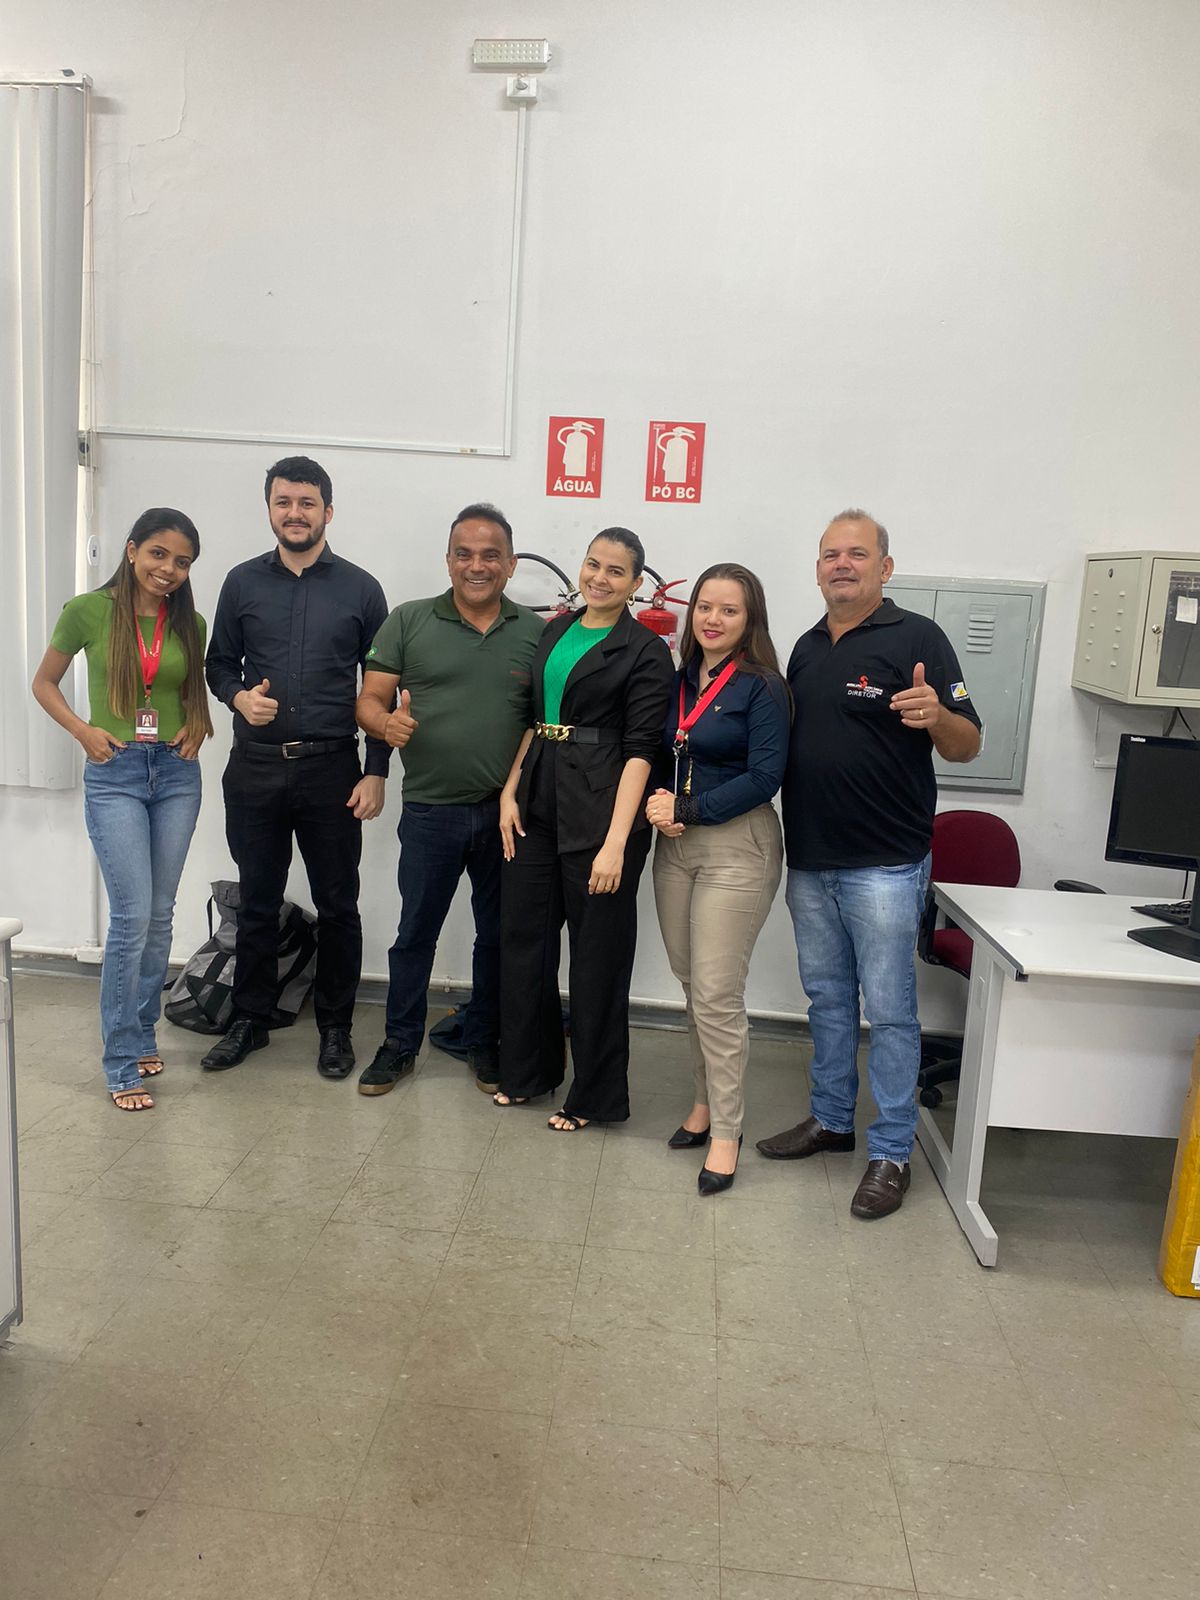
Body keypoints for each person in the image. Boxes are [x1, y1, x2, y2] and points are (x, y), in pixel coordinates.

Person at [756, 509, 981, 1218]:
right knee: (826, 1000)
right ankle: (831, 1120)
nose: (842, 564)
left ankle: (891, 1152)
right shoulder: (804, 647)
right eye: (831, 554)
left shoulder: (919, 638)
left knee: (889, 1013)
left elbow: (968, 744)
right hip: (811, 858)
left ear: (885, 567)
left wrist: (936, 717)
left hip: (885, 863)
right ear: (818, 568)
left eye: (857, 554)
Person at [202, 456, 389, 1078]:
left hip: (332, 770)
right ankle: (250, 1019)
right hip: (254, 769)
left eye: (307, 502)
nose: (295, 513)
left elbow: (382, 688)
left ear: (327, 511)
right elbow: (219, 664)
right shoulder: (241, 583)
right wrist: (238, 698)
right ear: (269, 509)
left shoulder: (362, 589)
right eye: (283, 502)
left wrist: (376, 769)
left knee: (339, 904)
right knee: (257, 901)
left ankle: (335, 1028)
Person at [352, 503, 543, 1096]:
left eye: (490, 555)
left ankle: (484, 1039)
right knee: (415, 934)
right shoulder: (409, 620)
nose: (476, 566)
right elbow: (368, 702)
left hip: (506, 816)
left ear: (511, 564)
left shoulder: (538, 634)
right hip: (431, 812)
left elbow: (544, 723)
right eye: (464, 554)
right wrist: (385, 725)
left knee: (498, 937)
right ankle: (398, 1045)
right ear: (448, 560)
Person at [32, 509, 213, 1110]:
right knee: (132, 916)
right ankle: (119, 1060)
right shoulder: (88, 611)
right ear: (132, 550)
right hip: (116, 771)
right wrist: (83, 732)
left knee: (160, 915)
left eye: (182, 562)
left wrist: (196, 725)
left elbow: (190, 693)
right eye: (159, 554)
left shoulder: (191, 621)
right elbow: (44, 684)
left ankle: (142, 1032)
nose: (169, 570)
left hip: (176, 773)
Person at [494, 528, 674, 1129]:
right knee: (525, 943)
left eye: (615, 571)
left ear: (635, 583)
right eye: (593, 564)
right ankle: (528, 1073)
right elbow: (535, 719)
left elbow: (642, 751)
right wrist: (511, 790)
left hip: (602, 815)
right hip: (537, 801)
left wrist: (617, 844)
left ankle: (594, 1098)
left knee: (597, 961)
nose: (600, 577)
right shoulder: (556, 629)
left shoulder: (645, 652)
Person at [645, 563, 789, 1195]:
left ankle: (727, 1131)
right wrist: (661, 804)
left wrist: (689, 807)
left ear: (749, 619)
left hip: (738, 847)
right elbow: (662, 753)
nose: (713, 619)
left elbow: (765, 777)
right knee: (690, 983)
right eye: (705, 606)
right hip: (675, 847)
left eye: (729, 610)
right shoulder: (680, 680)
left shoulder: (763, 686)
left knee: (716, 992)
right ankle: (703, 1104)